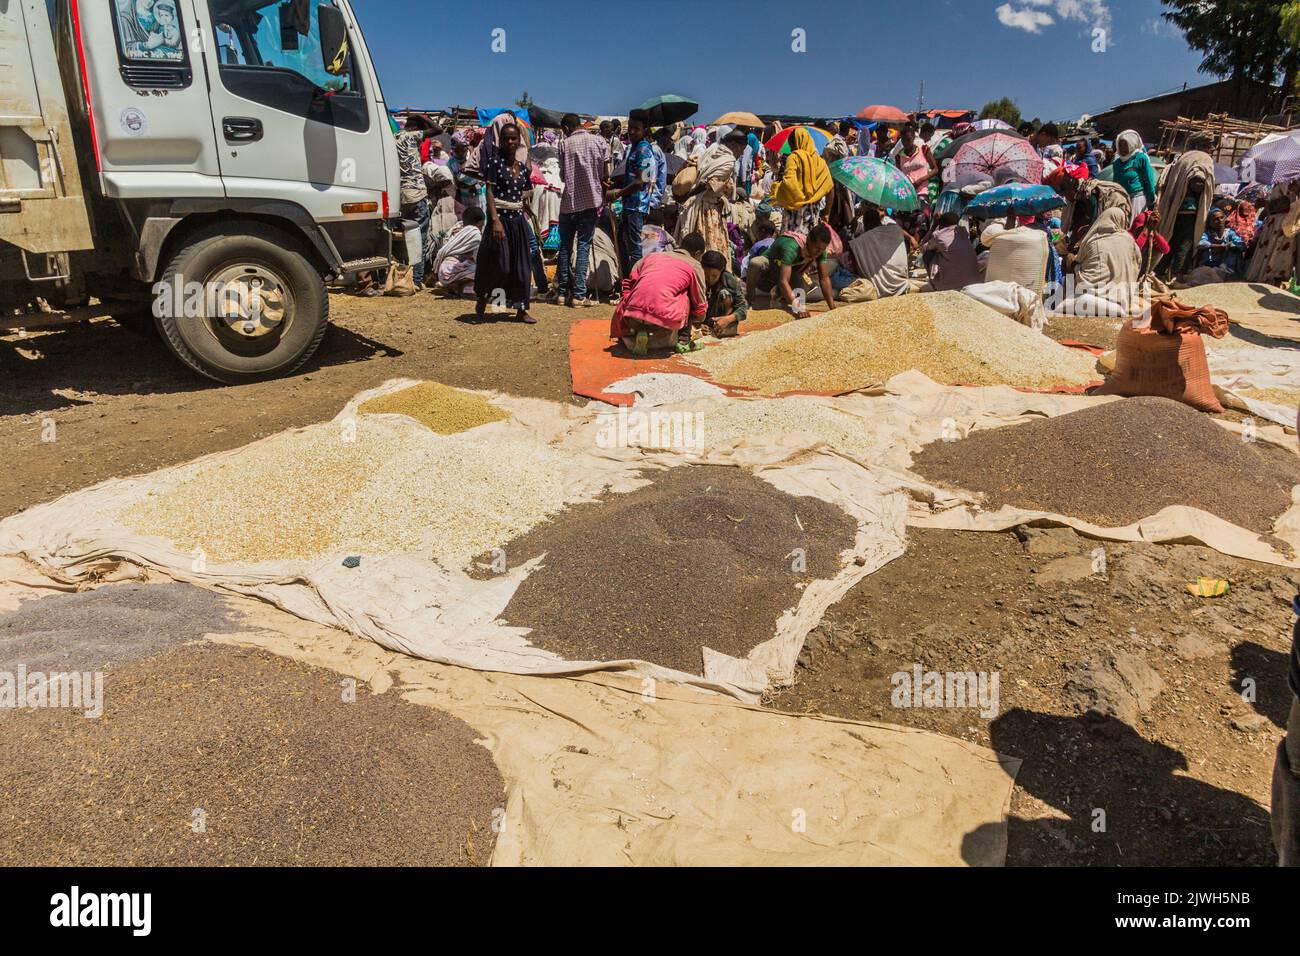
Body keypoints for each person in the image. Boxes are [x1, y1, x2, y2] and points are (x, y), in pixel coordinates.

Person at [474, 122, 537, 323]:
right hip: (499, 220)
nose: (510, 141)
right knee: (499, 265)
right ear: (500, 141)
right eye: (506, 138)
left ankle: (521, 309)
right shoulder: (494, 163)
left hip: (517, 221)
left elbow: (522, 192)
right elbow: (490, 192)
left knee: (522, 266)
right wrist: (494, 221)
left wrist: (524, 206)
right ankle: (484, 296)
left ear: (519, 141)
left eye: (514, 138)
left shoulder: (522, 168)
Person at [610, 232, 708, 356]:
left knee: (640, 294)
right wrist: (700, 318)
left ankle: (639, 331)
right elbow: (699, 300)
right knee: (686, 296)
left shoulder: (652, 257)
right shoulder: (694, 265)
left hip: (632, 316)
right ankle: (683, 342)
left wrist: (628, 302)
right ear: (698, 253)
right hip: (663, 320)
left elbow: (630, 282)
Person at [553, 113, 607, 307]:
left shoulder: (564, 144)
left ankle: (562, 293)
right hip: (590, 201)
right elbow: (603, 172)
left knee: (565, 246)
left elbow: (562, 175)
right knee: (583, 245)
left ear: (567, 128)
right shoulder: (598, 142)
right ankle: (578, 295)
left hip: (569, 202)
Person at [674, 135, 743, 267]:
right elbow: (708, 184)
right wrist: (689, 195)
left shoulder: (709, 151)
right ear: (734, 144)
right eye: (742, 148)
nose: (742, 152)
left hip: (699, 205)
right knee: (710, 245)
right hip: (708, 210)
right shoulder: (728, 161)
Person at [746, 222, 837, 318]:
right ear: (809, 240)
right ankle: (749, 300)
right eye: (817, 248)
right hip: (770, 268)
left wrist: (832, 308)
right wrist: (798, 307)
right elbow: (783, 282)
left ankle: (778, 295)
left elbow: (824, 279)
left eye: (822, 249)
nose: (819, 252)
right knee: (755, 263)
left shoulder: (820, 251)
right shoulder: (791, 247)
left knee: (801, 292)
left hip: (789, 272)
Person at [607, 110, 655, 284]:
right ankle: (628, 282)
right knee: (623, 243)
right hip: (629, 205)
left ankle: (636, 284)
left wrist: (617, 193)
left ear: (645, 130)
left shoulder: (643, 149)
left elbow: (640, 181)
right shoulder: (634, 148)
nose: (632, 132)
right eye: (631, 128)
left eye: (637, 129)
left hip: (637, 206)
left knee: (634, 248)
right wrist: (615, 186)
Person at [1153, 149, 1213, 282]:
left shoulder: (1183, 158)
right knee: (1184, 244)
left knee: (1169, 240)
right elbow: (1197, 182)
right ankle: (1177, 275)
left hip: (1174, 209)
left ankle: (1159, 272)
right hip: (1189, 212)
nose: (1213, 149)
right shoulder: (1201, 158)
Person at [1073, 205, 1141, 313]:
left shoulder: (1092, 240)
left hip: (1093, 290)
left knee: (1075, 265)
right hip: (1123, 293)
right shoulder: (1129, 240)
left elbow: (1079, 260)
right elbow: (1138, 263)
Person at [770, 127, 833, 233]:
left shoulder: (794, 157)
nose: (791, 150)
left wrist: (777, 188)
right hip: (813, 215)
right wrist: (826, 212)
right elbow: (830, 188)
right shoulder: (821, 162)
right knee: (808, 245)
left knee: (792, 245)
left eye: (792, 146)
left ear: (797, 143)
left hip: (794, 216)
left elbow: (788, 184)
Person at [396, 114, 435, 287]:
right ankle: (417, 280)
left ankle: (402, 277)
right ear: (417, 128)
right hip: (417, 193)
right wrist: (422, 116)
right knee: (420, 237)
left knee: (404, 237)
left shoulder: (393, 137)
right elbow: (438, 129)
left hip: (400, 195)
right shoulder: (413, 136)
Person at [920, 208, 981, 292]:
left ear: (941, 223)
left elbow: (922, 247)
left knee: (928, 253)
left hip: (950, 285)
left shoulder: (939, 235)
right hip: (973, 281)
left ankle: (935, 285)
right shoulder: (963, 232)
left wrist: (934, 226)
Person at [432, 207, 484, 296]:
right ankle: (457, 285)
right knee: (482, 270)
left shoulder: (457, 228)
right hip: (451, 271)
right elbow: (477, 259)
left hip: (443, 272)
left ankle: (457, 286)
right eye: (482, 225)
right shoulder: (475, 234)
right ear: (479, 222)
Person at [700, 249, 748, 340]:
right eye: (706, 275)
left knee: (725, 294)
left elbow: (743, 308)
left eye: (714, 276)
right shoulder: (696, 277)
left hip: (720, 317)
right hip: (702, 318)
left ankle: (721, 327)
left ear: (721, 271)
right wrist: (697, 326)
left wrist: (727, 319)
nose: (709, 279)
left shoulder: (729, 279)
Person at [1111, 130, 1157, 223]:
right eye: (1119, 145)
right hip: (1121, 200)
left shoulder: (1140, 158)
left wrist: (1151, 199)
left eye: (1124, 145)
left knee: (1135, 226)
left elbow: (1150, 179)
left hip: (1137, 200)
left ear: (1132, 144)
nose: (1122, 148)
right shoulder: (1117, 162)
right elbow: (1114, 183)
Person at [893, 121, 939, 194]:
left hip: (923, 192)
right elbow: (898, 176)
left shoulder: (924, 149)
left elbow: (935, 169)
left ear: (914, 137)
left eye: (908, 139)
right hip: (907, 193)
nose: (906, 143)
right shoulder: (899, 157)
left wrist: (920, 181)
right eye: (903, 140)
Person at [1199, 208, 1246, 275]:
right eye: (1216, 219)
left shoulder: (1230, 233)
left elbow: (1242, 245)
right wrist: (1219, 246)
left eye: (1221, 218)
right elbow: (1201, 243)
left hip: (1226, 262)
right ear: (1210, 222)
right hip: (1210, 262)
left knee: (1233, 251)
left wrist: (1232, 246)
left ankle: (1228, 272)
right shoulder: (1207, 233)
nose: (1220, 220)